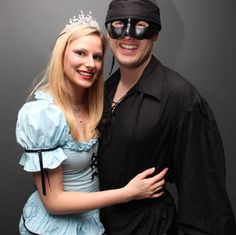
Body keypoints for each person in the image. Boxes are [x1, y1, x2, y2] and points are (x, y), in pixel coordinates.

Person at [16, 11, 168, 235]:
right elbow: (54, 203)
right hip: (57, 228)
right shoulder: (42, 114)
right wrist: (128, 193)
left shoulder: (96, 104)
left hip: (95, 222)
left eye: (97, 57)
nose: (90, 64)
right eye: (81, 53)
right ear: (62, 56)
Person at [98, 0, 236, 234]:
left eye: (140, 25)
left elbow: (203, 194)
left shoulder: (180, 97)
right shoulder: (103, 90)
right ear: (109, 31)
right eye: (119, 24)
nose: (128, 36)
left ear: (156, 34)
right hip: (97, 225)